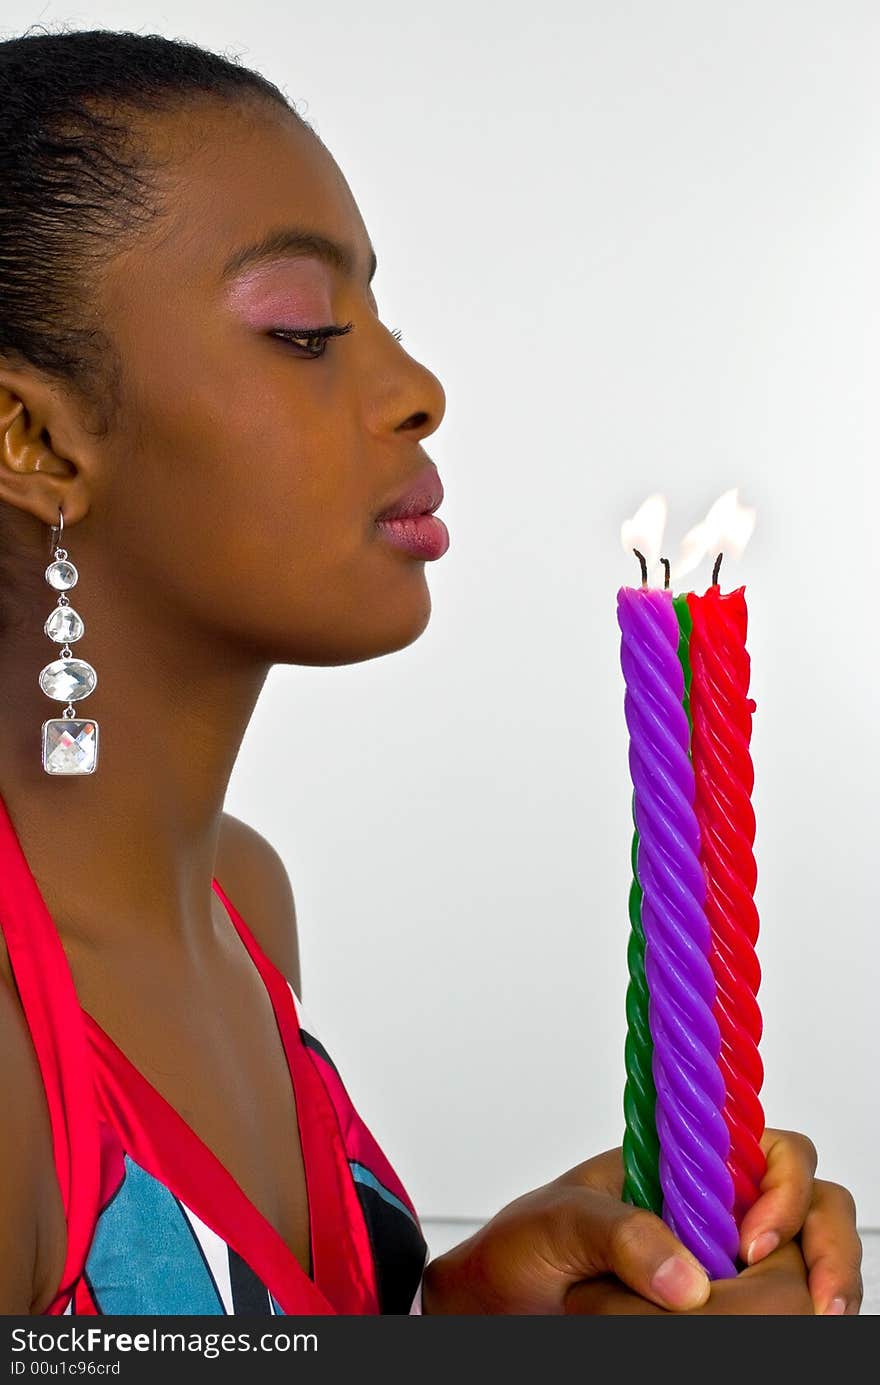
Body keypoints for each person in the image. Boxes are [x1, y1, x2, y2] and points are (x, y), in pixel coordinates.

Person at [0, 26, 862, 1317]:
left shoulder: (243, 898)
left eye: (381, 318)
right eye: (304, 329)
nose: (417, 389)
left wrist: (472, 1312)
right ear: (32, 438)